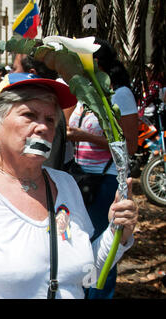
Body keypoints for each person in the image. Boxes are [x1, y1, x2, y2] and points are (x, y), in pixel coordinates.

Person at [0, 72, 138, 299]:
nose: (42, 128)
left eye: (50, 120)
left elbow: (83, 277)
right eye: (29, 115)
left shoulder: (66, 185)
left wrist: (117, 233)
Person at [67, 39, 138, 299]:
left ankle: (99, 295)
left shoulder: (121, 95)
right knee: (83, 245)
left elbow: (130, 143)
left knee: (103, 246)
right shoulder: (85, 95)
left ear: (95, 62)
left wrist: (84, 136)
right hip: (82, 179)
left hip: (105, 182)